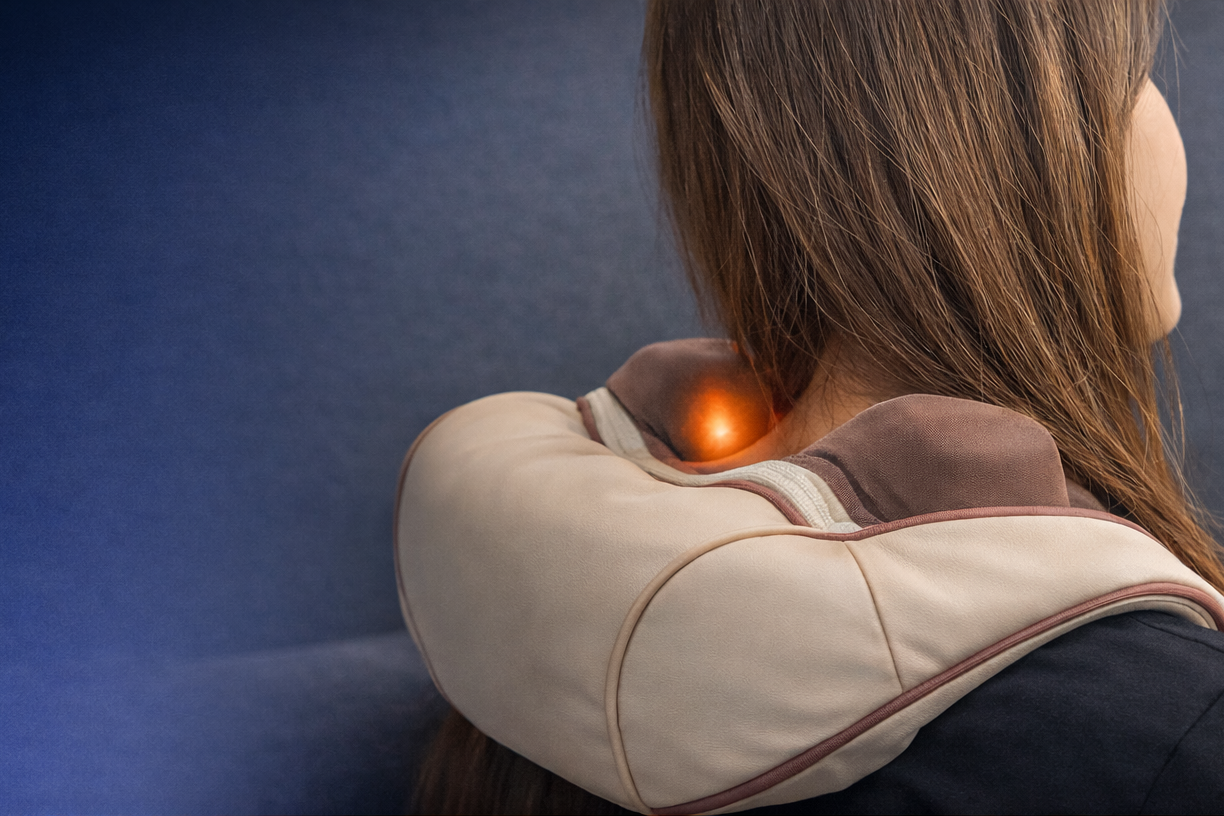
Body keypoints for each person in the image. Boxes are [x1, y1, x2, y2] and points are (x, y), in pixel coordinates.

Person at [399, 0, 1224, 812]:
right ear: (994, 141)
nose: (1162, 121)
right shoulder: (1174, 725)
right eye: (1133, 73)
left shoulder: (533, 620)